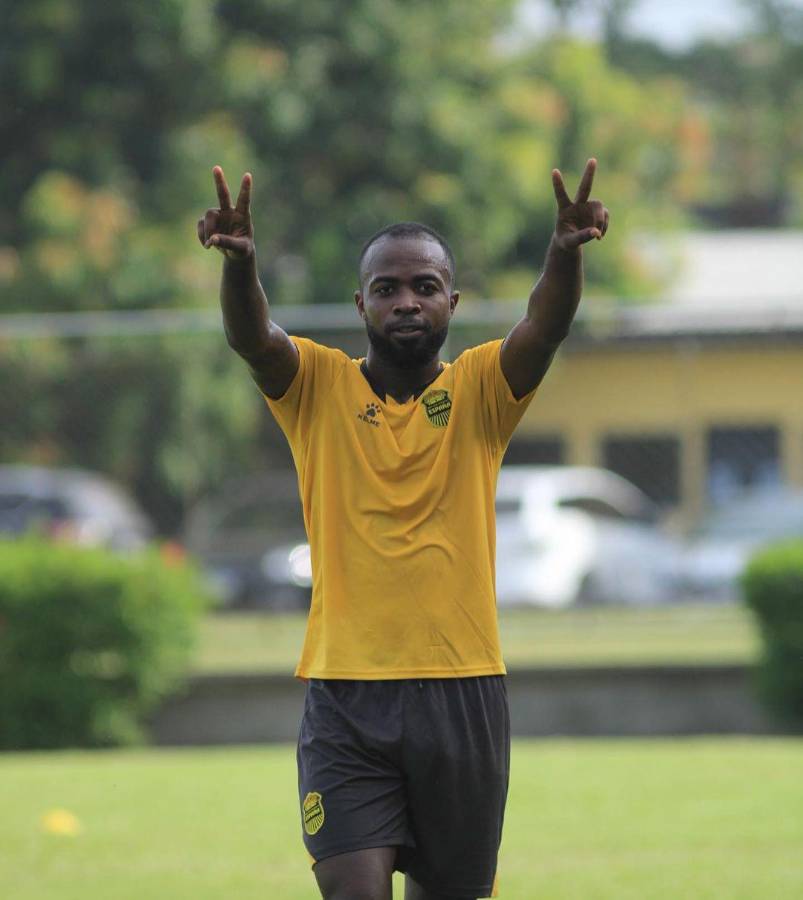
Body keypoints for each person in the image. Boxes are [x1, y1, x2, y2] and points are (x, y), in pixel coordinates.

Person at [198, 159, 609, 900]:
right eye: (387, 288)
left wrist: (563, 254)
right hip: (346, 699)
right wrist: (242, 267)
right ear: (361, 304)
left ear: (451, 300)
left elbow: (543, 326)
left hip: (462, 692)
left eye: (424, 286)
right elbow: (254, 338)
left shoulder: (482, 388)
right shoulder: (316, 387)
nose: (406, 301)